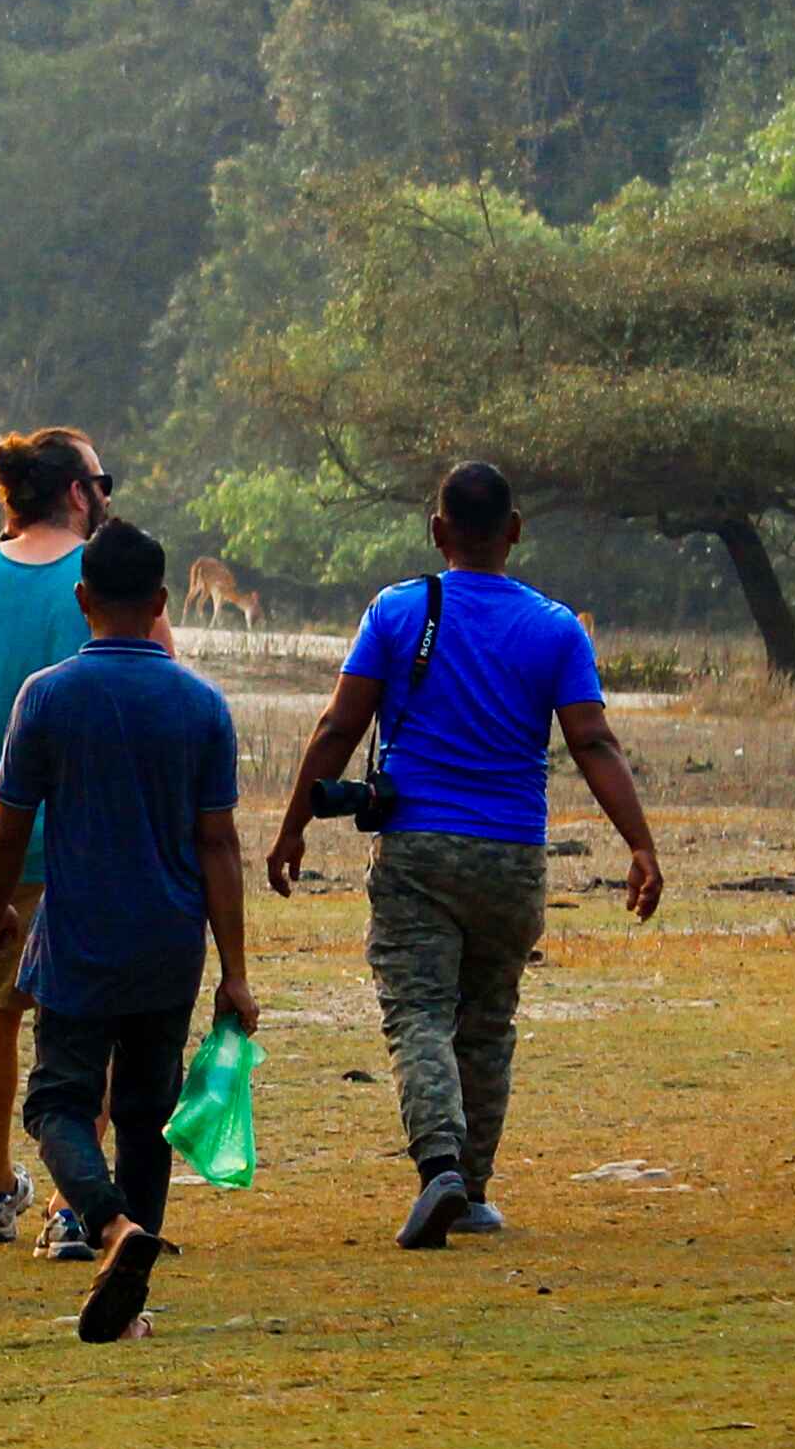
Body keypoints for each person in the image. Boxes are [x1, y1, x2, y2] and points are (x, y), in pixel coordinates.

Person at [266, 463, 662, 1249]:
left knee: (418, 1012)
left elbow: (338, 728)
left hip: (415, 849)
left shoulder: (398, 610)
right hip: (513, 855)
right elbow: (592, 740)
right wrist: (640, 844)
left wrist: (294, 826)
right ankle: (474, 1190)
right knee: (487, 1022)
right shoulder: (556, 628)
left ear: (437, 530)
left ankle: (439, 1164)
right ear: (515, 530)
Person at [0, 520, 256, 1342]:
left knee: (58, 1101)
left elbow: (7, 822)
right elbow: (219, 845)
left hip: (79, 939)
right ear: (163, 602)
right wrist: (234, 971)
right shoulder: (201, 704)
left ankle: (108, 1227)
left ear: (82, 599)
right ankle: (130, 1292)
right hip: (169, 944)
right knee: (145, 1113)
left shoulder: (49, 695)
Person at [0, 425, 113, 1256]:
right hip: (89, 835)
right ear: (78, 493)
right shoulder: (105, 578)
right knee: (89, 1019)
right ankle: (75, 1202)